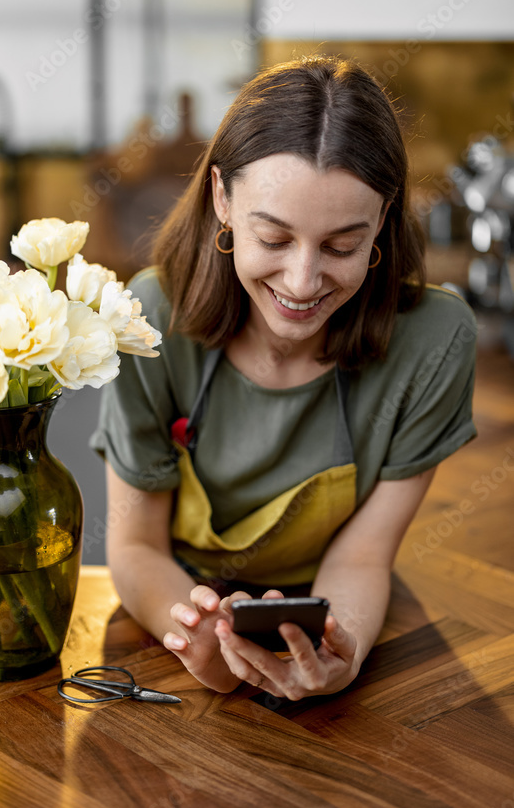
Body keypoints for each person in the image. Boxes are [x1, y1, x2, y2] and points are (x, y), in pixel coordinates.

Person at [90, 55, 478, 700]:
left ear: (383, 218)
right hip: (174, 599)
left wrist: (340, 653)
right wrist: (194, 637)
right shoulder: (148, 317)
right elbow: (133, 550)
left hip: (335, 596)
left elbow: (361, 557)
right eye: (273, 238)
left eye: (341, 246)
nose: (302, 284)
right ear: (222, 199)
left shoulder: (436, 340)